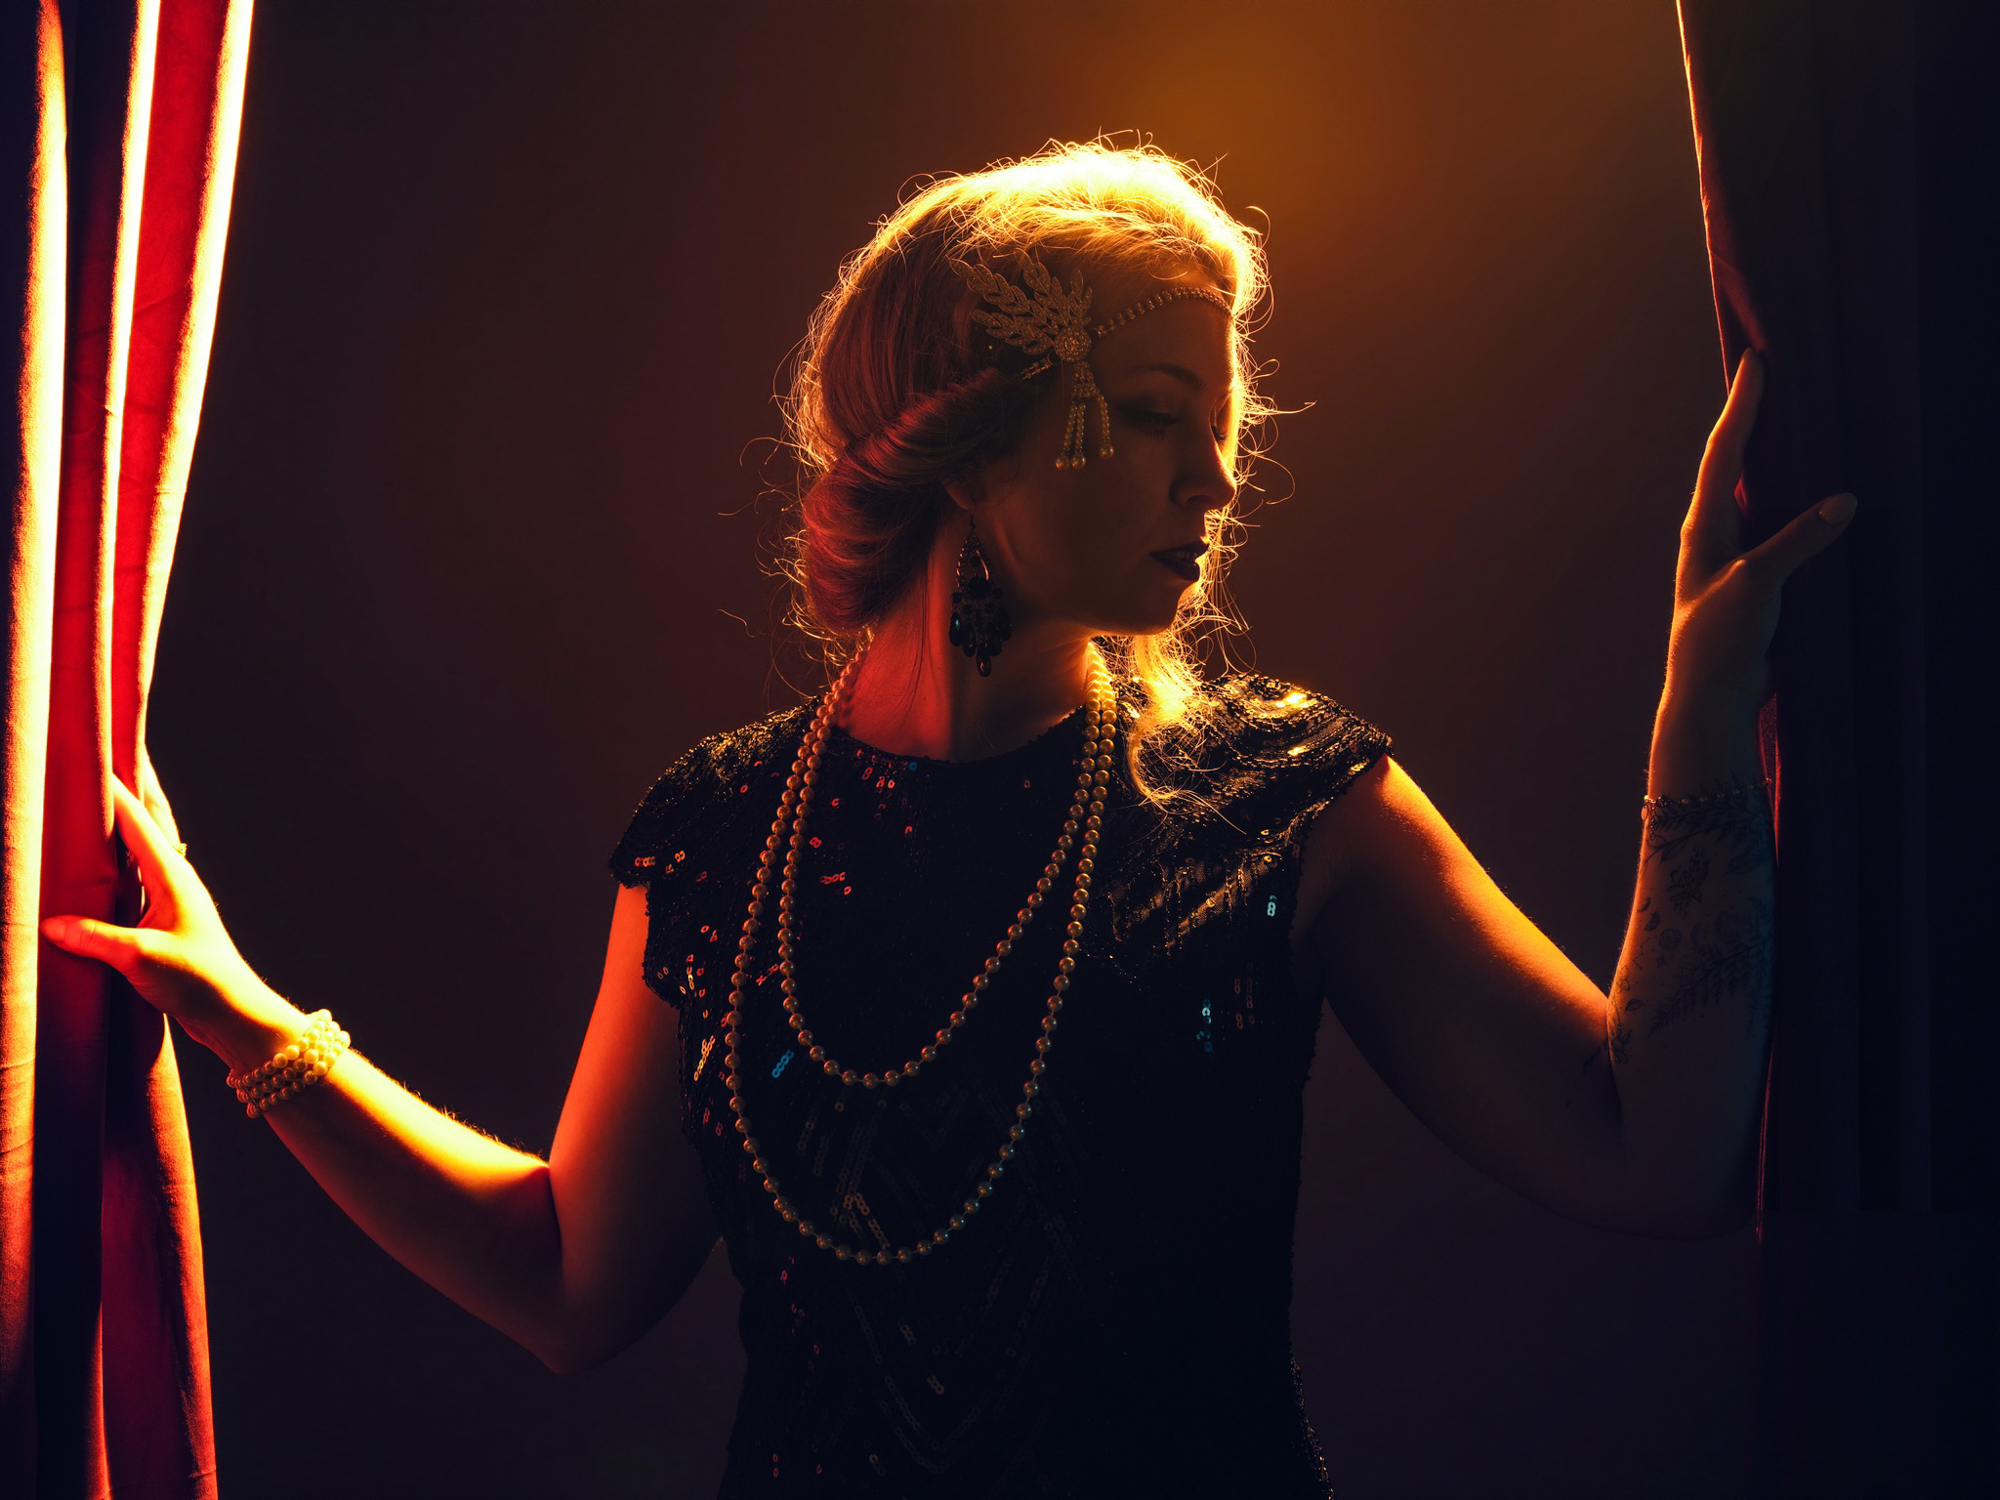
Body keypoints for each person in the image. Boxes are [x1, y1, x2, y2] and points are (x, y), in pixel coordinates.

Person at [39, 139, 1856, 1497]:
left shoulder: (1283, 805)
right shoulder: (722, 835)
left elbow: (1657, 1152)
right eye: (1154, 415)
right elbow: (575, 1278)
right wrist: (256, 1025)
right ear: (970, 433)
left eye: (1218, 425)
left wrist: (1706, 703)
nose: (1217, 478)